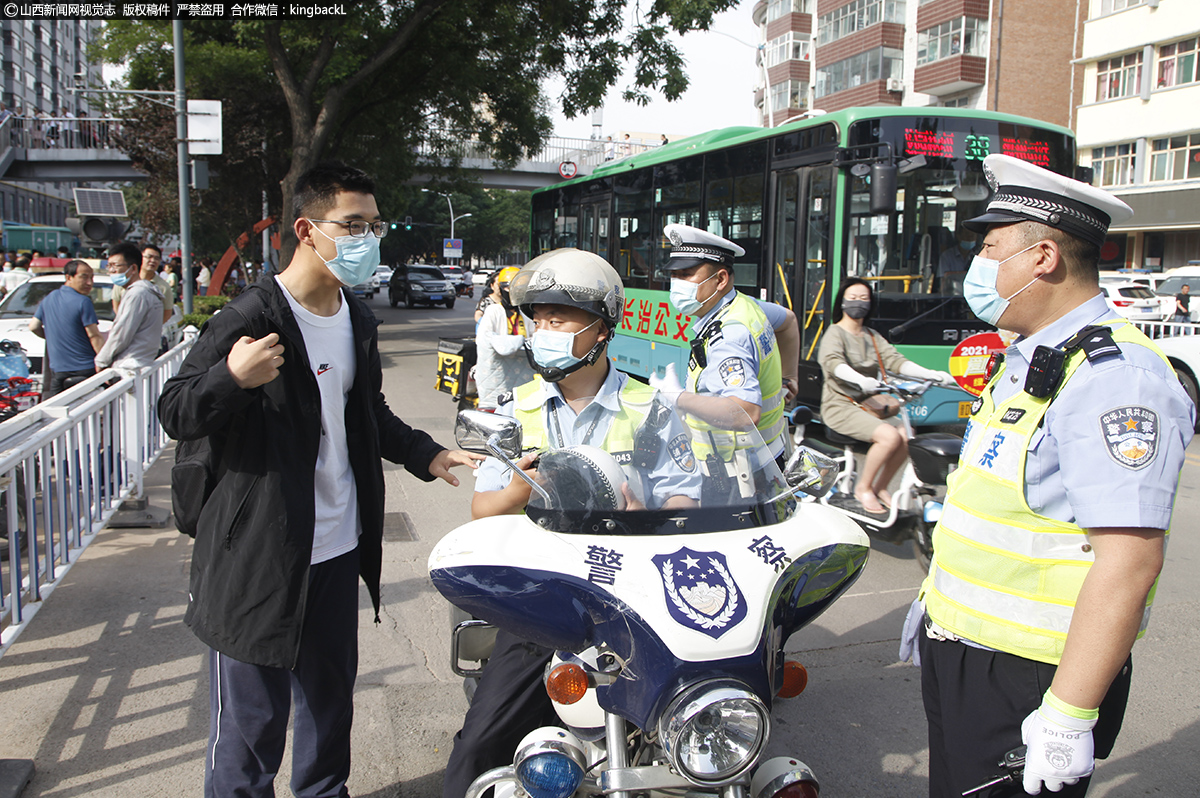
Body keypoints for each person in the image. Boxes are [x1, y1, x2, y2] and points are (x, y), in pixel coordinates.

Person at [158, 162, 482, 798]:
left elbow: (366, 415)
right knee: (253, 727)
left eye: (374, 225)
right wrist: (232, 378)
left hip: (337, 547)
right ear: (307, 229)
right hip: (259, 557)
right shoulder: (250, 316)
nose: (369, 239)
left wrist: (428, 454)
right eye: (353, 225)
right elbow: (176, 410)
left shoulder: (355, 319)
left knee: (330, 711)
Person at [902, 154, 1194, 798]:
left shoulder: (1115, 378)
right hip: (964, 648)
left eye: (990, 247)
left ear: (1041, 259)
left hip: (1031, 674)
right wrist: (936, 607)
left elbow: (1130, 562)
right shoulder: (1026, 359)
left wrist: (1068, 714)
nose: (978, 265)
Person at [442, 248, 700, 798]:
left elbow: (688, 500)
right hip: (542, 603)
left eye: (558, 319)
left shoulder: (651, 405)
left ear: (602, 329)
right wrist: (520, 486)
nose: (543, 331)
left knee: (701, 736)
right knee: (475, 751)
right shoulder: (515, 407)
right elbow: (481, 511)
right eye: (536, 319)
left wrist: (650, 519)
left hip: (634, 599)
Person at [650, 224, 800, 468]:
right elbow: (789, 320)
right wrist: (790, 376)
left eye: (686, 275)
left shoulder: (729, 336)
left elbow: (745, 412)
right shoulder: (746, 306)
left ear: (720, 279)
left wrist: (678, 397)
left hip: (739, 474)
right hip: (768, 456)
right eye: (674, 275)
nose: (676, 284)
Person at [817, 278, 955, 514]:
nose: (858, 303)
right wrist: (860, 379)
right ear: (842, 302)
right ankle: (863, 488)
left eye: (864, 298)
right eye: (852, 297)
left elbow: (895, 361)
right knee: (889, 437)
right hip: (840, 405)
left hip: (868, 404)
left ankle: (880, 487)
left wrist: (932, 374)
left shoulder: (871, 335)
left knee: (904, 434)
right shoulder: (835, 333)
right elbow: (832, 363)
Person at [29, 259, 103, 396]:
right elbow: (94, 336)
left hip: (58, 372)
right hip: (86, 369)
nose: (90, 283)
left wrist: (53, 336)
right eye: (84, 277)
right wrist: (105, 363)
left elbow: (33, 326)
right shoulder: (83, 301)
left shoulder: (49, 298)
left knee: (56, 413)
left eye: (91, 278)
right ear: (69, 277)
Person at [94, 242, 164, 369]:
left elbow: (122, 333)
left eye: (116, 266)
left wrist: (101, 361)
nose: (111, 270)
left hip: (129, 365)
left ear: (133, 268)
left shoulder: (137, 294)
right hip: (140, 362)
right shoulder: (146, 291)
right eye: (109, 266)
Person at [473, 266, 534, 409]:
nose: (512, 293)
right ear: (500, 289)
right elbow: (487, 339)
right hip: (500, 372)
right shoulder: (493, 311)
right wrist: (517, 342)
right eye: (508, 288)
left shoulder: (526, 313)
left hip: (524, 369)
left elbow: (535, 337)